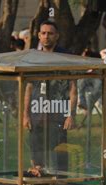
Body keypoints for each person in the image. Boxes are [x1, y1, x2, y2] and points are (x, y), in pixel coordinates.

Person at [23, 20, 77, 176]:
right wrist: (25, 115)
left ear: (57, 36)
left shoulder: (65, 58)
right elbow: (28, 87)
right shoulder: (33, 58)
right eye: (44, 33)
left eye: (50, 33)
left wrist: (70, 114)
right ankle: (39, 177)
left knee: (59, 148)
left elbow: (73, 88)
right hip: (37, 110)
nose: (47, 36)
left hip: (58, 111)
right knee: (36, 148)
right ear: (39, 36)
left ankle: (61, 180)